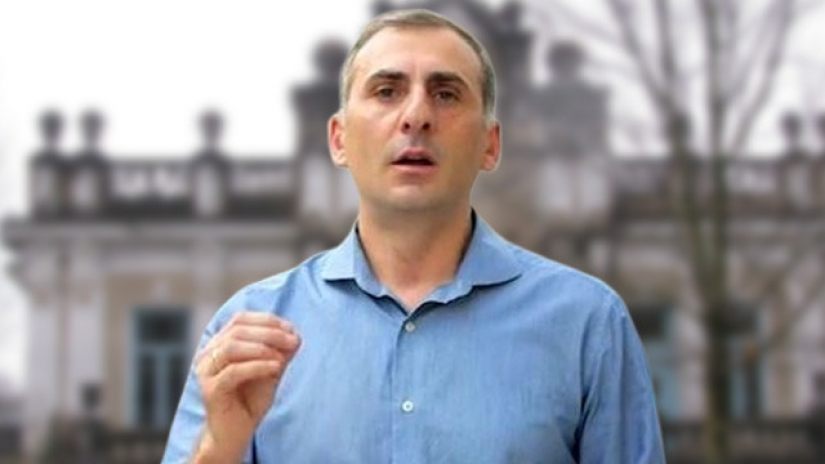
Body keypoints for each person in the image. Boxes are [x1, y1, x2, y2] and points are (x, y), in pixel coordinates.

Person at [162, 9, 665, 464]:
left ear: (490, 145)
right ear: (338, 139)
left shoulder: (586, 324)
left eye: (446, 94)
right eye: (387, 91)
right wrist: (218, 448)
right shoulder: (249, 331)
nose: (416, 116)